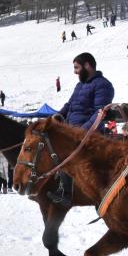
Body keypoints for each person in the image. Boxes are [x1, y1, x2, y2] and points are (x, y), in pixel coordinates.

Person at [48, 52, 114, 205]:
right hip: (71, 129)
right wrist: (56, 116)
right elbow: (69, 105)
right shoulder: (80, 85)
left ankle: (66, 192)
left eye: (77, 68)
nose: (75, 72)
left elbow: (99, 113)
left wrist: (81, 132)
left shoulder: (103, 85)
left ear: (87, 66)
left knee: (63, 150)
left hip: (88, 133)